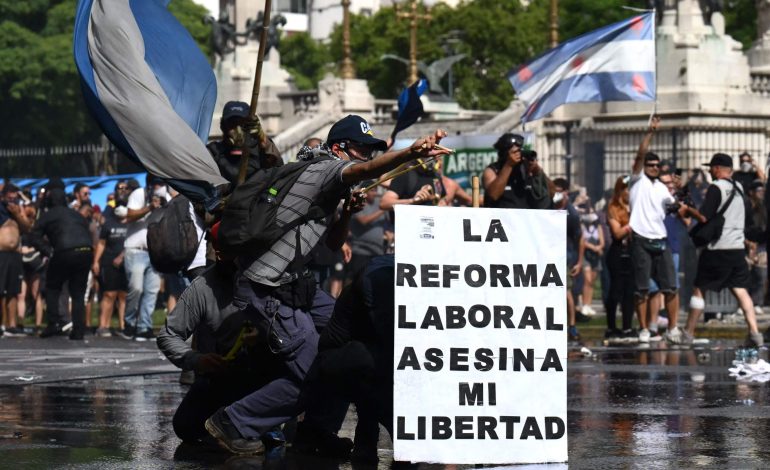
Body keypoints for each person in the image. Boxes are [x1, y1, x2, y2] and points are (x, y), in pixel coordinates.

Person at [204, 115, 449, 455]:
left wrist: (346, 212)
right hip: (267, 287)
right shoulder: (324, 170)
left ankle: (316, 431)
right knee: (313, 372)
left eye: (368, 151)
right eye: (361, 151)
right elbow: (365, 171)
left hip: (294, 283)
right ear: (338, 149)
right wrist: (410, 153)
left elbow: (333, 244)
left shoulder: (331, 187)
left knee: (344, 342)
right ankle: (232, 423)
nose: (364, 157)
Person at [157, 261, 287, 446]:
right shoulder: (203, 286)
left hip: (265, 376)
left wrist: (264, 334)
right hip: (222, 374)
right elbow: (169, 335)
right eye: (222, 250)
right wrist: (197, 360)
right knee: (185, 425)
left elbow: (299, 333)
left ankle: (269, 423)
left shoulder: (274, 276)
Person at [297, 255, 395, 463]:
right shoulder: (380, 276)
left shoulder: (384, 270)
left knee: (375, 361)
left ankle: (326, 433)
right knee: (374, 362)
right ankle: (321, 431)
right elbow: (386, 340)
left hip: (350, 359)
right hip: (339, 362)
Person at [682, 153, 763, 347]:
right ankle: (755, 333)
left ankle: (688, 333)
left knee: (699, 288)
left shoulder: (716, 187)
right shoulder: (739, 188)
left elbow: (703, 217)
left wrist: (687, 209)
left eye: (711, 167)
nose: (709, 171)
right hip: (736, 248)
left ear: (718, 168)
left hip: (718, 247)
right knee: (741, 290)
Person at [628, 116, 682, 344]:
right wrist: (649, 132)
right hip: (640, 237)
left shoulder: (661, 187)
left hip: (660, 238)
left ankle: (673, 328)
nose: (654, 168)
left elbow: (672, 208)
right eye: (650, 165)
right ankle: (643, 329)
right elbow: (640, 155)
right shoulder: (636, 180)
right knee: (641, 288)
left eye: (656, 165)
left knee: (670, 287)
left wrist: (678, 200)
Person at [30, 188, 93, 340]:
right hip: (86, 250)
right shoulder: (76, 214)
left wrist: (48, 251)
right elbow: (86, 230)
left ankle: (54, 323)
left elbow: (33, 236)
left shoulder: (48, 215)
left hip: (64, 250)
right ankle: (78, 330)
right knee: (78, 293)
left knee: (52, 286)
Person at [121, 176, 166, 341]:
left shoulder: (165, 196)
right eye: (157, 183)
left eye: (162, 183)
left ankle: (144, 327)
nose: (159, 187)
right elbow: (130, 215)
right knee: (136, 288)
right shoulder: (139, 193)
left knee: (151, 292)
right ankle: (129, 323)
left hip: (154, 251)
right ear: (150, 184)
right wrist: (149, 207)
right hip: (135, 249)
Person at [207, 101, 283, 185]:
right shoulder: (214, 151)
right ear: (223, 126)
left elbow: (279, 168)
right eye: (233, 124)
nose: (238, 131)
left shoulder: (260, 148)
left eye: (243, 125)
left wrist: (263, 140)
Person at [481, 133, 551, 210]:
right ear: (504, 153)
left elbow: (551, 193)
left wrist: (537, 170)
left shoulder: (526, 169)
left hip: (526, 219)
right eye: (514, 152)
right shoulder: (493, 170)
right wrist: (509, 165)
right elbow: (494, 195)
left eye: (520, 151)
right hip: (501, 219)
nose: (518, 155)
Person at [552, 178, 584, 341]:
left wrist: (579, 262)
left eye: (559, 191)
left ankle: (572, 326)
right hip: (549, 255)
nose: (556, 194)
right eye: (554, 190)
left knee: (565, 292)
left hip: (565, 256)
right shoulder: (547, 207)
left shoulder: (571, 214)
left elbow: (580, 238)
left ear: (566, 193)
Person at [605, 176, 636, 341]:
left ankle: (627, 326)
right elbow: (617, 233)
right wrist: (633, 224)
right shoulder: (613, 208)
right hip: (617, 252)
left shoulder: (637, 207)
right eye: (627, 189)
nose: (630, 192)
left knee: (629, 292)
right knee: (616, 290)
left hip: (632, 251)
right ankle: (611, 326)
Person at [380, 154, 447, 226]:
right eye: (429, 155)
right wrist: (412, 201)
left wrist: (442, 205)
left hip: (431, 229)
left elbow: (442, 199)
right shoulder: (406, 176)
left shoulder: (436, 177)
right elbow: (384, 203)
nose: (435, 158)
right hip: (408, 230)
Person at [0, 184, 32, 337]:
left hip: (15, 255)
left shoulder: (18, 210)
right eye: (9, 197)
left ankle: (12, 325)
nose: (12, 200)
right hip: (1, 253)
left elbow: (27, 228)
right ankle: (2, 324)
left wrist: (17, 214)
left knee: (13, 291)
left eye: (15, 197)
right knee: (1, 290)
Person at [93, 203, 129, 336]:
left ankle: (123, 326)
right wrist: (96, 261)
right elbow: (101, 243)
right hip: (109, 263)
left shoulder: (133, 222)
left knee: (124, 296)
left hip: (127, 263)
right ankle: (103, 325)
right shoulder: (108, 224)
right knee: (109, 294)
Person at [345, 186, 388, 281]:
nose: (374, 193)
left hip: (377, 251)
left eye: (376, 190)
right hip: (361, 251)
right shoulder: (359, 203)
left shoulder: (379, 202)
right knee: (358, 280)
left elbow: (384, 225)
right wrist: (383, 209)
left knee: (375, 280)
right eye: (372, 190)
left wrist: (389, 233)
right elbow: (363, 221)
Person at [579, 209, 604, 316]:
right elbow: (582, 241)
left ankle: (589, 304)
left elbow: (602, 241)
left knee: (592, 281)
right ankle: (584, 304)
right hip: (586, 255)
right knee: (587, 280)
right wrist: (593, 247)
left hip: (595, 256)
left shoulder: (598, 227)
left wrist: (599, 247)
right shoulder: (582, 227)